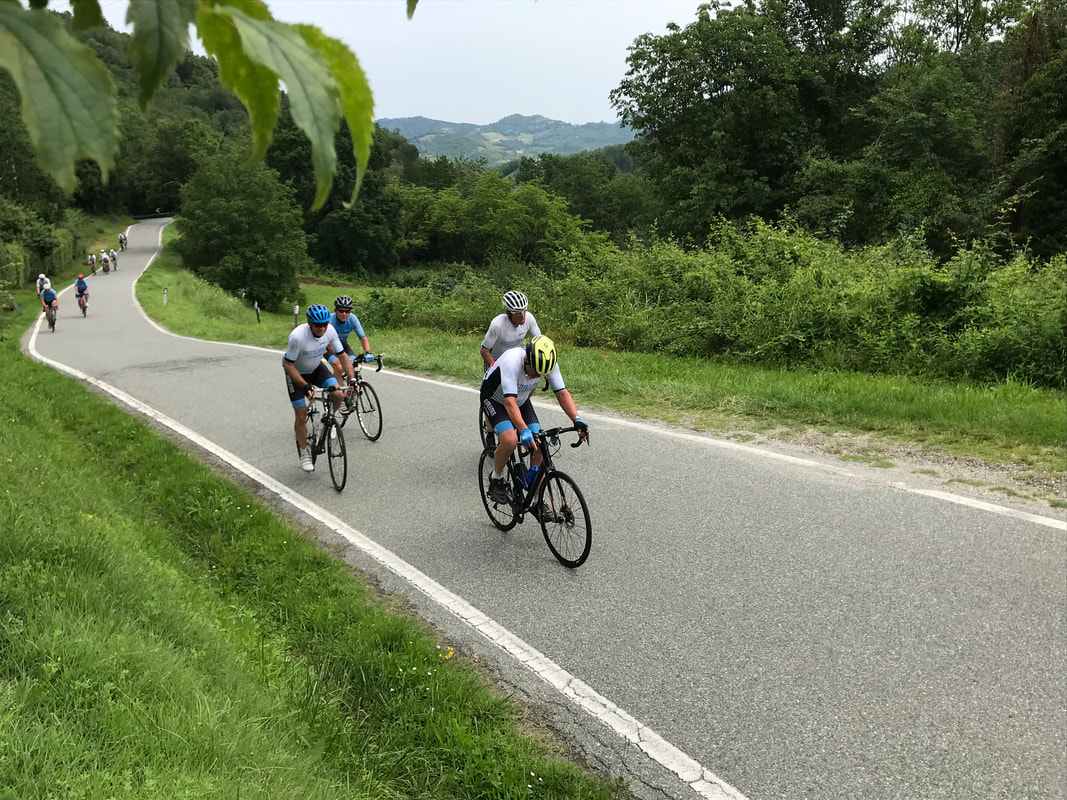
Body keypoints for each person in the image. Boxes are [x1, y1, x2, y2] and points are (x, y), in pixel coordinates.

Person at [480, 334, 588, 504]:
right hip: (494, 399)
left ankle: (536, 499)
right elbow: (509, 403)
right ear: (526, 361)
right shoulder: (511, 361)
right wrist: (523, 430)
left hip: (520, 399)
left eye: (542, 374)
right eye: (536, 372)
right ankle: (496, 478)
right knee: (510, 439)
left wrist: (577, 420)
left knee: (539, 444)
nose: (538, 376)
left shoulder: (548, 365)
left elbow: (562, 393)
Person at [283, 303, 354, 472]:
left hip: (315, 369)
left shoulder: (330, 331)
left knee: (338, 394)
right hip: (296, 374)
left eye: (325, 324)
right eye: (318, 325)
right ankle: (304, 451)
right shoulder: (297, 337)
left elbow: (343, 356)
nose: (322, 328)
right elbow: (288, 365)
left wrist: (352, 380)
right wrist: (305, 385)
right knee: (301, 414)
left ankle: (327, 420)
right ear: (310, 323)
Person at [480, 290, 541, 370]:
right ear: (508, 313)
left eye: (524, 311)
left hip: (513, 358)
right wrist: (495, 370)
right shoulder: (498, 324)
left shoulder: (529, 318)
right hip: (495, 359)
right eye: (517, 312)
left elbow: (540, 342)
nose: (522, 315)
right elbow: (484, 351)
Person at [326, 295, 375, 387]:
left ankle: (351, 390)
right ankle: (338, 392)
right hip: (328, 347)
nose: (344, 314)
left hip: (343, 345)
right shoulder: (330, 320)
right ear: (335, 310)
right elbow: (328, 344)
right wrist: (342, 357)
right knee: (339, 367)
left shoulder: (353, 318)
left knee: (353, 365)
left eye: (347, 311)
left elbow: (363, 338)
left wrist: (368, 352)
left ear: (350, 311)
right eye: (341, 311)